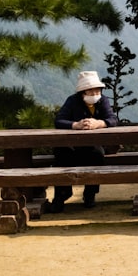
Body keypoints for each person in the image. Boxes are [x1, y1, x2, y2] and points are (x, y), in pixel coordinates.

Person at [50, 70, 118, 211]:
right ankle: (62, 195)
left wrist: (99, 123)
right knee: (61, 154)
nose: (94, 95)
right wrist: (76, 125)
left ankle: (90, 194)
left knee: (97, 155)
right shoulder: (72, 101)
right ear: (82, 93)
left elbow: (113, 119)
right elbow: (59, 121)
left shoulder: (103, 101)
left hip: (93, 145)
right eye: (90, 92)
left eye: (97, 91)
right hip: (72, 145)